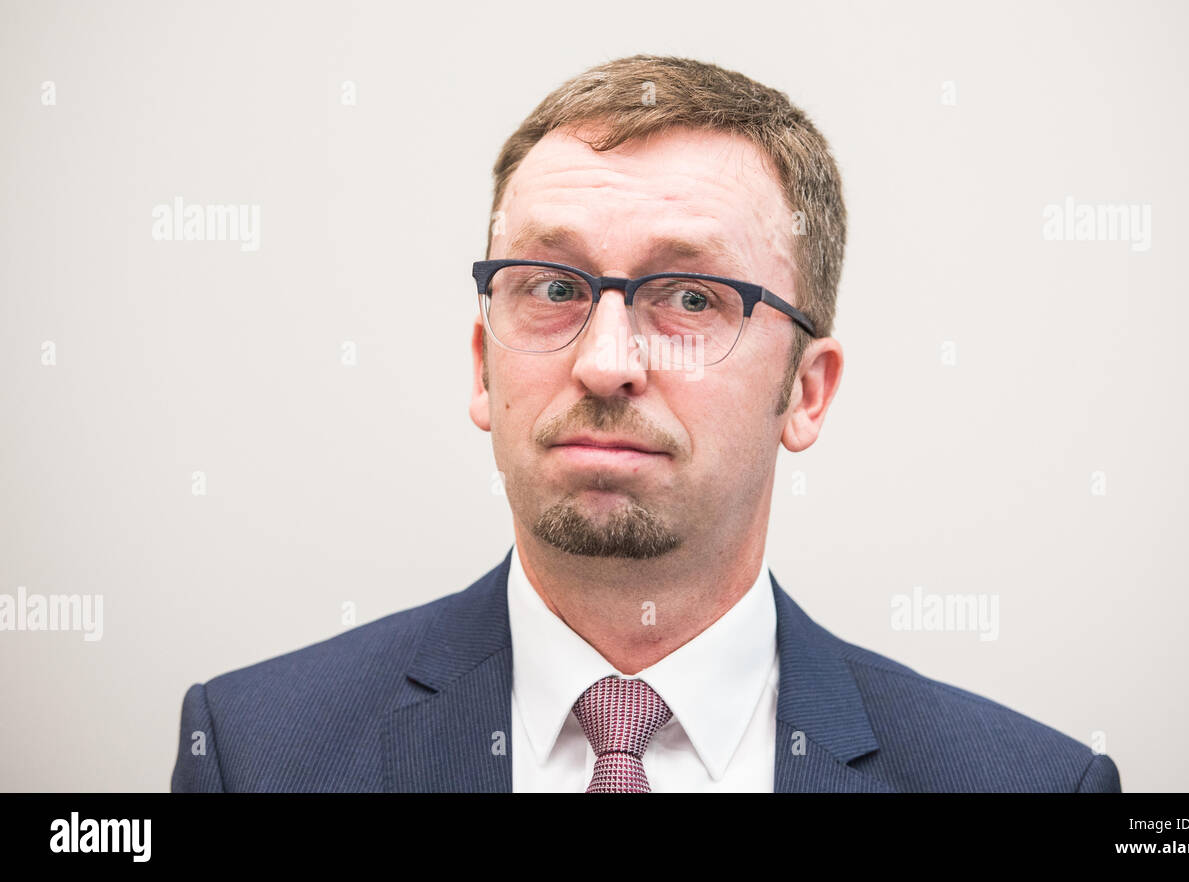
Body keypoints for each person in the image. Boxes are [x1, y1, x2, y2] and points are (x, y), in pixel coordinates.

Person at [171, 54, 1121, 793]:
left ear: (807, 391)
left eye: (692, 299)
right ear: (481, 366)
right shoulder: (254, 752)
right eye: (553, 287)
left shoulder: (1028, 784)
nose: (607, 361)